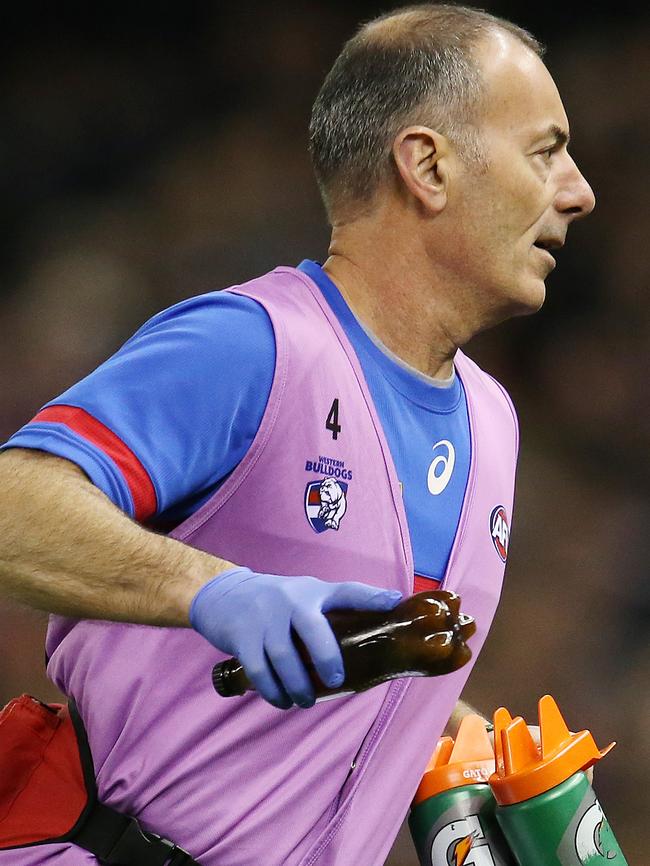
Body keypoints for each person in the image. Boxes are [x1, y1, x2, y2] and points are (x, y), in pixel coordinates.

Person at [0, 4, 595, 865]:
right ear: (427, 165)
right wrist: (215, 592)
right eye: (545, 150)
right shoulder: (254, 345)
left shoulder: (494, 422)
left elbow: (351, 682)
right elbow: (15, 506)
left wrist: (472, 755)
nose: (579, 190)